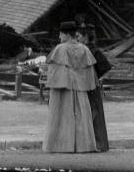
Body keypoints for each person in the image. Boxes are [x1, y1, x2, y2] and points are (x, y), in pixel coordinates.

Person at [42, 21, 98, 153]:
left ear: (67, 34)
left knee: (61, 116)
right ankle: (84, 146)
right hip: (80, 89)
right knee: (82, 116)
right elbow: (89, 74)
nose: (59, 37)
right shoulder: (85, 49)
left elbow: (54, 71)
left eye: (61, 34)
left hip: (63, 88)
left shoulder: (60, 49)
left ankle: (60, 145)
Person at [77, 23, 112, 152]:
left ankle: (97, 144)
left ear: (85, 37)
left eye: (79, 36)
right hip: (88, 85)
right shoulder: (89, 50)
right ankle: (95, 143)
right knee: (91, 114)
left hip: (91, 87)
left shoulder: (92, 51)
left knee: (94, 114)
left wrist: (94, 76)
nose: (77, 39)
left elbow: (105, 66)